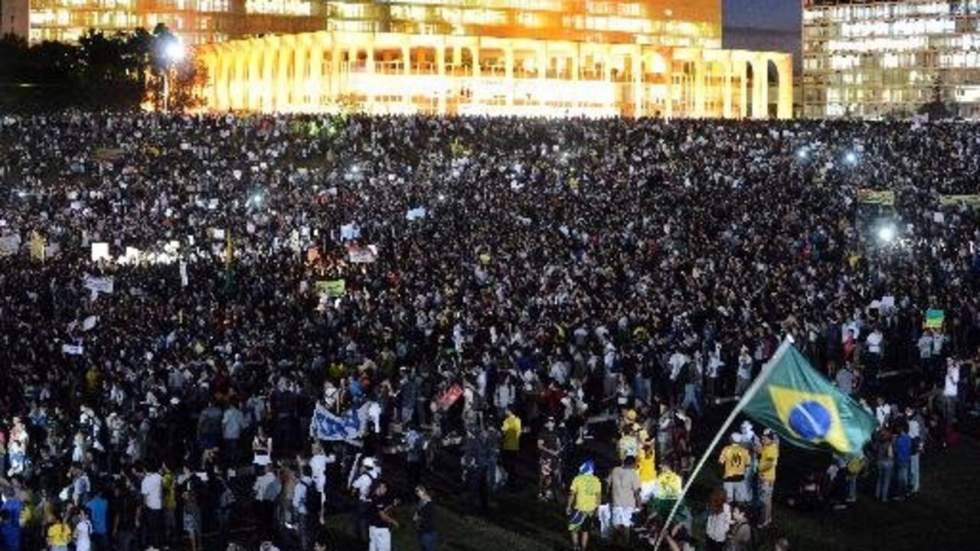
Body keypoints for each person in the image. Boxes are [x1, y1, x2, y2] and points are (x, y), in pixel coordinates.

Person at [566, 460, 601, 551]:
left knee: (574, 529)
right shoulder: (596, 480)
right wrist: (597, 509)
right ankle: (583, 548)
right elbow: (598, 497)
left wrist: (568, 506)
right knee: (585, 531)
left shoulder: (578, 479)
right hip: (590, 511)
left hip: (579, 509)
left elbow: (572, 494)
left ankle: (575, 546)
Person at [607, 455, 641, 544]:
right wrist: (639, 505)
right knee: (626, 526)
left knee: (616, 525)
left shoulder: (615, 470)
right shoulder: (633, 474)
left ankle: (614, 543)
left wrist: (608, 497)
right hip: (628, 504)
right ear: (633, 464)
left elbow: (608, 484)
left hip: (616, 503)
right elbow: (637, 492)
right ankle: (625, 544)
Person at [719, 433, 750, 505]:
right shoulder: (744, 451)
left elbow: (721, 462)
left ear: (731, 440)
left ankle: (728, 514)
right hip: (740, 477)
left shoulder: (726, 449)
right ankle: (738, 514)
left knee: (728, 500)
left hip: (728, 477)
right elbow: (748, 464)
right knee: (740, 500)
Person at [757, 429, 779, 528]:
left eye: (764, 438)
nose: (762, 440)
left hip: (766, 478)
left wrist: (760, 469)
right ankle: (767, 519)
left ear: (770, 438)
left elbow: (769, 464)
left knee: (764, 501)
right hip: (766, 478)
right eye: (762, 438)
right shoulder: (768, 445)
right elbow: (761, 452)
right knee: (767, 500)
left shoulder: (773, 448)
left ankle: (763, 521)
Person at [368, 481, 399, 551]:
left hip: (372, 529)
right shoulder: (378, 499)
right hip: (381, 529)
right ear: (378, 488)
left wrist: (393, 505)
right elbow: (382, 516)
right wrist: (393, 521)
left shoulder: (372, 497)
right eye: (383, 487)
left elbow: (381, 511)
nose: (386, 489)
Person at [500, 408, 522, 486]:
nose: (505, 411)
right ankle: (513, 479)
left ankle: (509, 480)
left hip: (507, 445)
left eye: (506, 410)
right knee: (513, 463)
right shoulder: (518, 420)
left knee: (507, 463)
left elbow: (504, 431)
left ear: (509, 411)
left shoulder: (506, 421)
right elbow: (519, 432)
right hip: (515, 445)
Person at [413, 484, 437, 551]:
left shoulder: (430, 504)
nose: (417, 493)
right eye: (416, 491)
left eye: (418, 491)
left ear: (423, 490)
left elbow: (424, 517)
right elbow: (416, 515)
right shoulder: (421, 502)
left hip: (429, 533)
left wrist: (417, 518)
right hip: (422, 532)